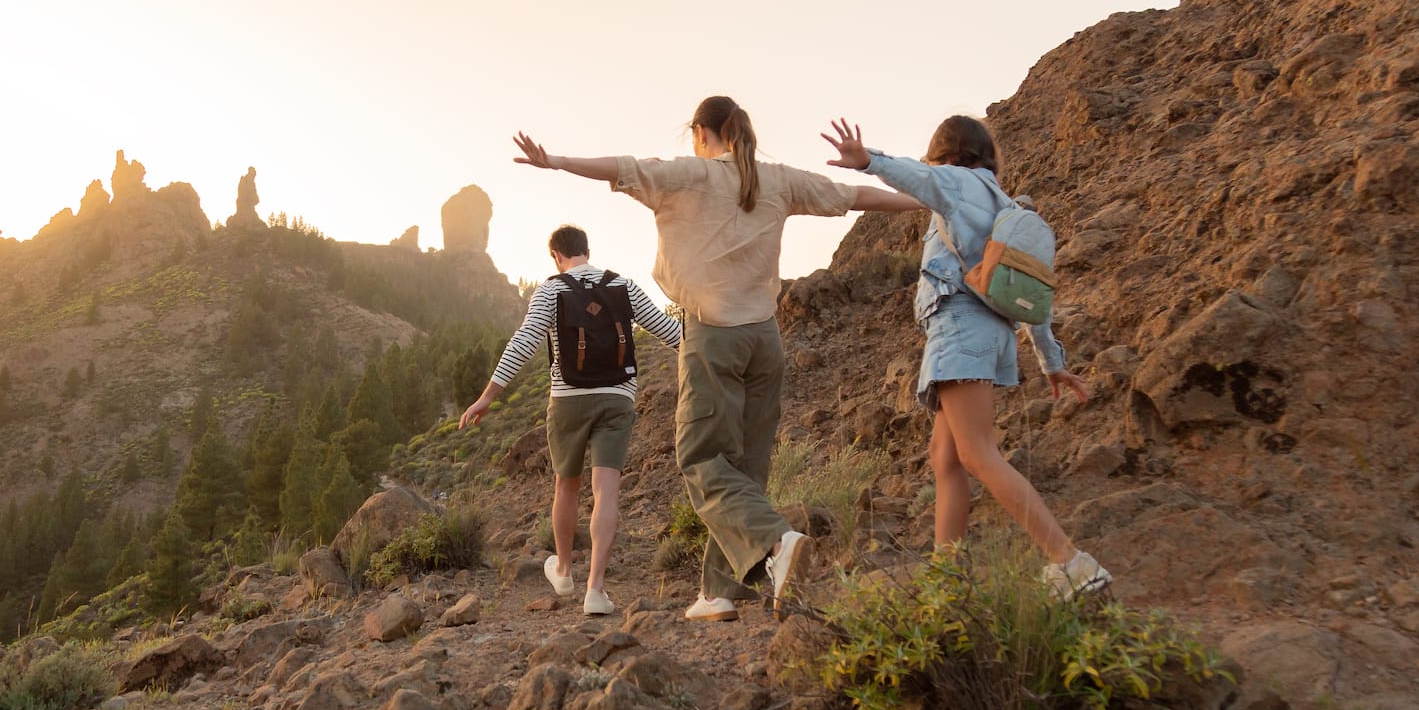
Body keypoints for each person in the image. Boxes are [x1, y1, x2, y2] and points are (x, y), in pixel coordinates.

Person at [511, 95, 922, 623]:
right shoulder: (778, 180)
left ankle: (777, 542)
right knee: (745, 470)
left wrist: (556, 162)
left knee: (703, 461)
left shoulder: (690, 176)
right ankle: (719, 593)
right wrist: (931, 195)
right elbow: (857, 195)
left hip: (715, 335)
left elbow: (619, 168)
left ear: (702, 133)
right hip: (765, 339)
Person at [821, 114, 1111, 600]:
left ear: (946, 153)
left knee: (977, 453)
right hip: (990, 332)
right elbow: (1029, 295)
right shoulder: (1004, 203)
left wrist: (869, 161)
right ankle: (947, 581)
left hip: (959, 326)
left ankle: (1071, 562)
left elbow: (922, 178)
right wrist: (1051, 361)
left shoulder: (956, 182)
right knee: (946, 456)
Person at [459, 225, 682, 616]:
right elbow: (670, 331)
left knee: (567, 486)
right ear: (587, 250)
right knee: (606, 490)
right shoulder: (623, 285)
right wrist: (719, 357)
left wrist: (487, 397)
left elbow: (525, 341)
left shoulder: (551, 289)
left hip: (568, 400)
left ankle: (563, 571)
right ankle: (595, 589)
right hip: (618, 396)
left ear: (556, 256)